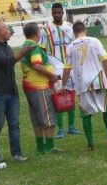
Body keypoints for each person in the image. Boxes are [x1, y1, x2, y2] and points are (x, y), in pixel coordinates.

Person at [59, 21, 107, 150]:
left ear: (74, 33)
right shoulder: (94, 41)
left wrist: (63, 85)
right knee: (106, 108)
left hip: (82, 82)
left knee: (85, 113)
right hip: (98, 79)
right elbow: (105, 59)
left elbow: (67, 70)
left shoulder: (70, 47)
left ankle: (91, 144)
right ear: (85, 30)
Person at [0, 21, 36, 162]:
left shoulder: (7, 47)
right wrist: (24, 52)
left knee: (14, 124)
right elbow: (8, 61)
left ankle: (16, 154)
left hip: (12, 92)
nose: (9, 31)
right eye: (7, 29)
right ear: (0, 32)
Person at [20, 22, 64, 155]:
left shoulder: (24, 45)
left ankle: (40, 147)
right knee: (48, 115)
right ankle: (49, 146)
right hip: (39, 86)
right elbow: (37, 65)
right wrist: (52, 76)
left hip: (29, 85)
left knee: (36, 117)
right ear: (37, 33)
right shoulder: (33, 46)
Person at [40, 3, 81, 138]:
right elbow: (42, 49)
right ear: (52, 13)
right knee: (59, 97)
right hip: (56, 68)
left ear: (63, 13)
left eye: (59, 12)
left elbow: (76, 44)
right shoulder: (46, 29)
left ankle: (71, 126)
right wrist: (47, 67)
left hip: (70, 66)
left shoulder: (70, 27)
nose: (56, 15)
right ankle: (61, 129)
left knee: (71, 95)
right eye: (54, 13)